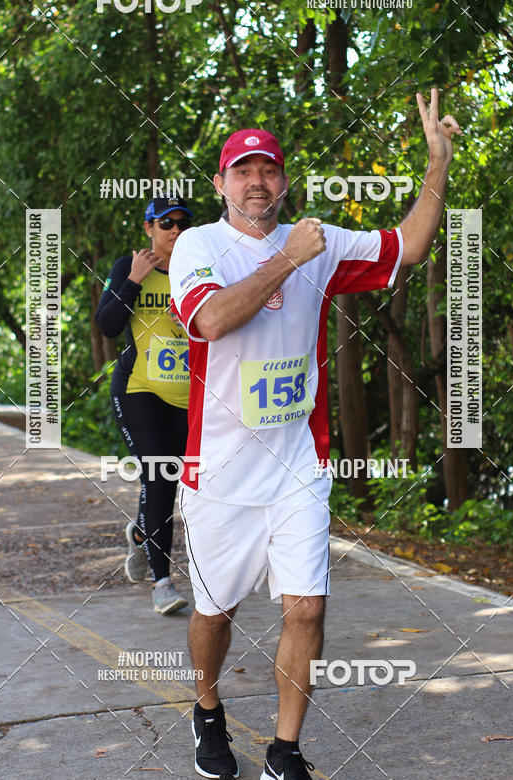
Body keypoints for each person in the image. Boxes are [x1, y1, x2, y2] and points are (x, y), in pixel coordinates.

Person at [168, 89, 461, 779]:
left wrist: (437, 164)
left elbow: (409, 246)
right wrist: (288, 260)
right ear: (221, 183)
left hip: (297, 465)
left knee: (306, 609)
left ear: (283, 181)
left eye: (268, 169)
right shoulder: (198, 246)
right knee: (215, 613)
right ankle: (206, 709)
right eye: (243, 170)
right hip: (220, 473)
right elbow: (211, 321)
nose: (257, 181)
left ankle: (285, 750)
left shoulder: (316, 240)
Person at [96, 196, 193, 615]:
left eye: (183, 223)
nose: (175, 230)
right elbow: (107, 325)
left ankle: (141, 535)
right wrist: (134, 279)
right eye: (166, 223)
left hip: (189, 394)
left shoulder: (200, 269)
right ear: (148, 228)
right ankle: (162, 583)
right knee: (159, 476)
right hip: (139, 388)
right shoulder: (128, 267)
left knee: (183, 481)